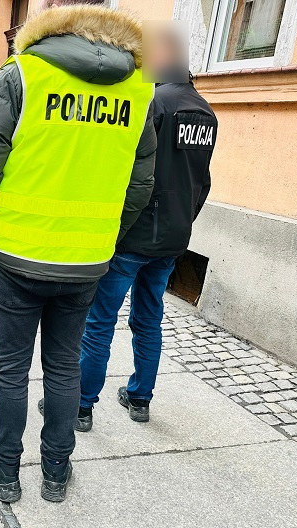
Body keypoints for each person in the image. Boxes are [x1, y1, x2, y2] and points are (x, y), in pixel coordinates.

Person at [0, 0, 157, 503]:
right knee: (64, 367)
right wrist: (104, 238)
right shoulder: (140, 90)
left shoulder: (21, 75)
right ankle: (56, 473)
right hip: (86, 261)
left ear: (49, 18)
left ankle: (4, 471)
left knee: (10, 368)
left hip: (16, 254)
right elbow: (140, 185)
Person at [75, 26, 217, 430]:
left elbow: (129, 171)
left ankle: (82, 407)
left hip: (135, 234)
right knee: (149, 318)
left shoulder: (152, 102)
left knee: (99, 320)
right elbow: (201, 182)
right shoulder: (207, 112)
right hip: (173, 239)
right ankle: (140, 398)